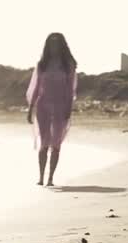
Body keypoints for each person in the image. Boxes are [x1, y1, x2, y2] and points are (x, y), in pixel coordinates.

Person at [26, 32, 78, 186]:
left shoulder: (68, 64)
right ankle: (41, 177)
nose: (54, 46)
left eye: (56, 43)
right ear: (47, 45)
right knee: (44, 142)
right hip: (43, 106)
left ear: (62, 45)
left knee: (56, 143)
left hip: (61, 106)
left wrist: (69, 108)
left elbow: (70, 89)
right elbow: (35, 88)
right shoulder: (42, 64)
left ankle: (51, 179)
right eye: (51, 43)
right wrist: (30, 109)